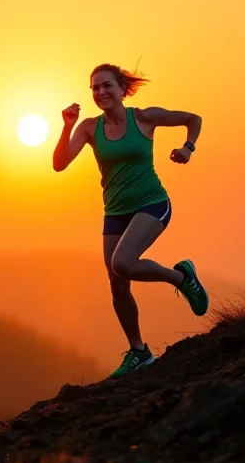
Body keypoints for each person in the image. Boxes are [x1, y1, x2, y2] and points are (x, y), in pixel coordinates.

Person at [52, 62, 209, 379]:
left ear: (123, 89)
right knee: (117, 283)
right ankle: (139, 351)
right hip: (115, 212)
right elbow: (59, 164)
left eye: (107, 85)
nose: (101, 92)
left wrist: (188, 148)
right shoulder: (88, 128)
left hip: (152, 204)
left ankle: (182, 278)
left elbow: (193, 119)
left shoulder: (144, 118)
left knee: (122, 263)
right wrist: (67, 125)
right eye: (95, 87)